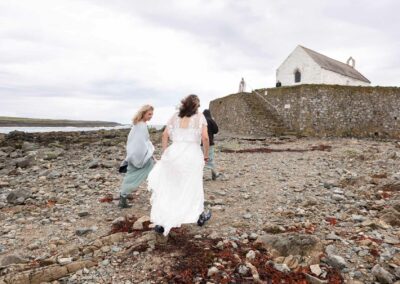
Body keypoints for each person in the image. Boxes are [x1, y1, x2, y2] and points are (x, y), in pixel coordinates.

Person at [148, 94, 211, 236]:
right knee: (192, 185)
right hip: (192, 154)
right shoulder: (200, 117)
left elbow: (164, 135)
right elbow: (205, 138)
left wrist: (165, 153)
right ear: (196, 105)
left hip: (174, 153)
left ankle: (163, 221)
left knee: (172, 186)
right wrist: (206, 154)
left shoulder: (174, 116)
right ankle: (198, 216)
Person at [118, 105, 155, 209]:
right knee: (134, 175)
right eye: (149, 114)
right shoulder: (141, 126)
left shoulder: (138, 124)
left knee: (132, 175)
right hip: (138, 156)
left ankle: (123, 197)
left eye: (152, 114)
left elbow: (143, 142)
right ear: (143, 113)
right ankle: (123, 198)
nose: (151, 116)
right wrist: (149, 154)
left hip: (135, 155)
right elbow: (140, 144)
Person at [202, 109, 220, 180]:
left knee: (201, 159)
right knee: (210, 158)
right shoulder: (211, 120)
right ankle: (213, 174)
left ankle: (201, 175)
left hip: (200, 143)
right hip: (210, 142)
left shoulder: (201, 121)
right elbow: (216, 130)